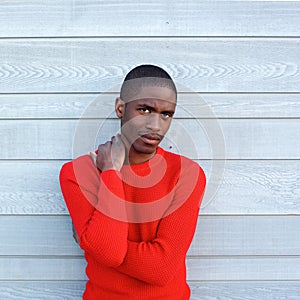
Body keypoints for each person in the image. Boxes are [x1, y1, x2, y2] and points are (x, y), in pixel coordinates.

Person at [59, 64, 206, 299]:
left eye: (166, 114)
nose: (156, 125)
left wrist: (93, 242)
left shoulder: (187, 173)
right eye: (145, 110)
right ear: (120, 108)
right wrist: (111, 171)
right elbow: (108, 252)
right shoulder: (77, 173)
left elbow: (161, 268)